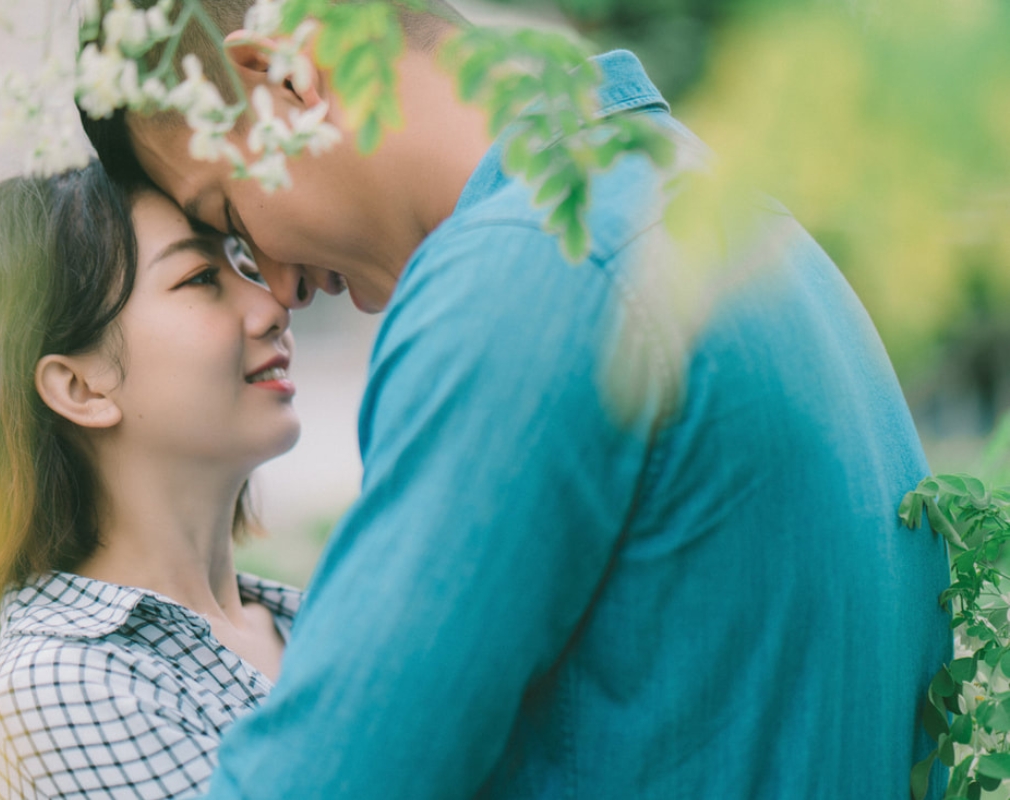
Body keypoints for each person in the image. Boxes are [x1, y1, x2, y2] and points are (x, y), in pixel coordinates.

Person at [83, 3, 953, 798]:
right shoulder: (723, 214)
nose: (273, 289)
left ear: (285, 75)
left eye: (229, 216)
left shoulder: (526, 269)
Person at [0, 162, 303, 798]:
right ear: (79, 386)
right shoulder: (62, 686)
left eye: (245, 264)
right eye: (201, 278)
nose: (272, 304)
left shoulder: (310, 620)